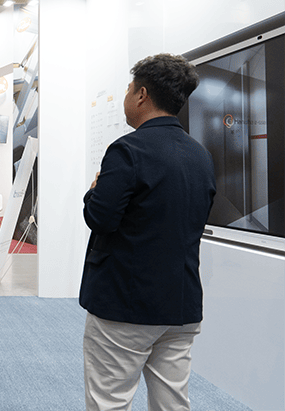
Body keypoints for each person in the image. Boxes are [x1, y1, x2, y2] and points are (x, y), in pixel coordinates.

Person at [79, 54, 216, 411]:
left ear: (141, 95)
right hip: (182, 304)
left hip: (125, 304)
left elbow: (100, 218)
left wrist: (94, 191)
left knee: (109, 401)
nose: (126, 96)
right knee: (172, 403)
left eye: (128, 89)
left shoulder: (127, 150)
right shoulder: (201, 156)